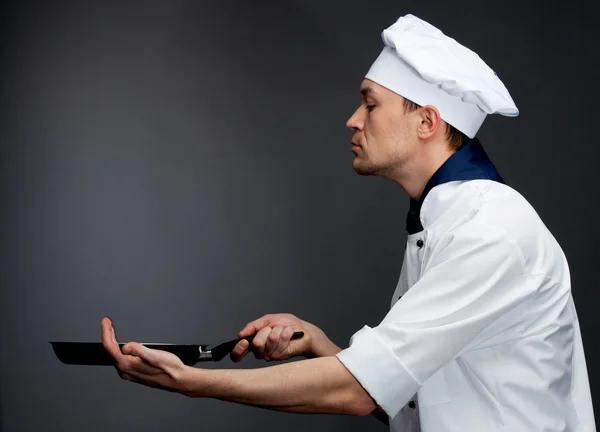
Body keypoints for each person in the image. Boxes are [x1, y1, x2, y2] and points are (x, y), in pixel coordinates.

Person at [100, 14, 596, 431]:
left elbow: (360, 391)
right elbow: (405, 400)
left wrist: (192, 381)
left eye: (370, 103)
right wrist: (320, 344)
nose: (353, 120)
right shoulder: (442, 224)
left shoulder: (491, 232)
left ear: (426, 122)